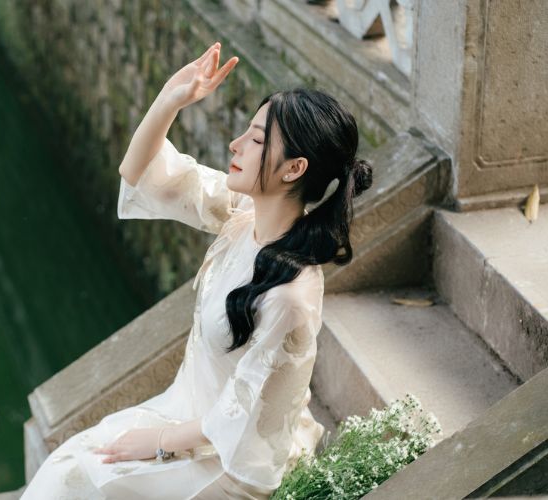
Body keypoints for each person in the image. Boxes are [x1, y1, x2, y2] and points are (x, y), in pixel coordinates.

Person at [21, 41, 372, 499]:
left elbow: (243, 419)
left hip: (231, 461)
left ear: (294, 169)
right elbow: (145, 174)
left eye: (257, 139)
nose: (236, 144)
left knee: (71, 482)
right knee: (62, 470)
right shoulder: (244, 216)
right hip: (186, 411)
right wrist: (171, 98)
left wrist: (160, 443)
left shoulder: (290, 297)